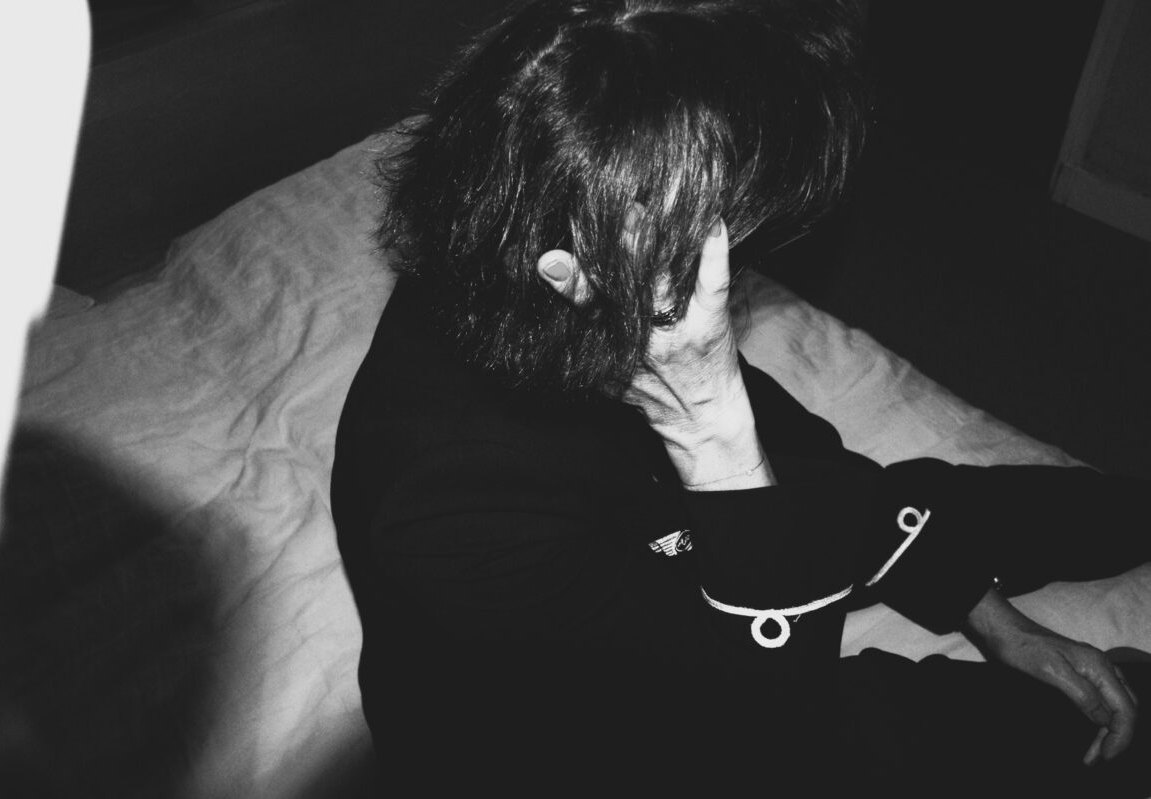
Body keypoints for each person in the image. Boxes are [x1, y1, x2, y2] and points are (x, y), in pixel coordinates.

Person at [331, 1, 1150, 795]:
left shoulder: (542, 274)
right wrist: (709, 423)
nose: (735, 254)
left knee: (959, 506)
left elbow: (809, 466)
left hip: (646, 537)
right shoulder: (450, 507)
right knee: (981, 729)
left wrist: (993, 615)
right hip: (585, 747)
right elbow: (774, 734)